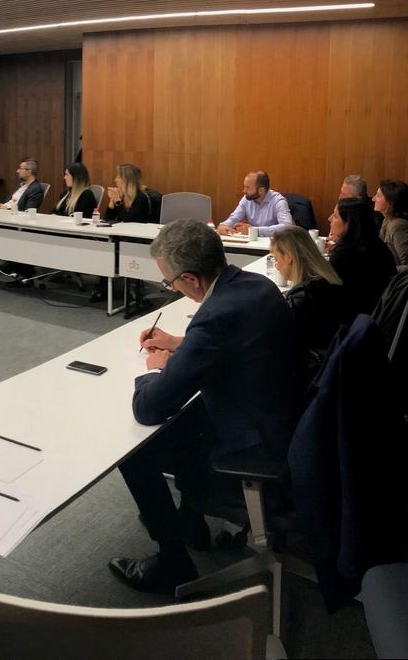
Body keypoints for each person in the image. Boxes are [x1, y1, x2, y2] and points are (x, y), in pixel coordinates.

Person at [109, 219, 305, 594]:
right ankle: (188, 522)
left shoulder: (214, 316)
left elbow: (149, 407)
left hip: (256, 453)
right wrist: (179, 343)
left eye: (170, 282)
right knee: (187, 423)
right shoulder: (256, 286)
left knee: (135, 452)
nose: (172, 288)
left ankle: (173, 563)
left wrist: (154, 370)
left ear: (191, 280)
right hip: (282, 422)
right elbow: (235, 342)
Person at [270, 225, 348, 360]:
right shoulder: (327, 281)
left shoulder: (303, 298)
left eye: (276, 259)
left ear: (288, 257)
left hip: (309, 364)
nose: (276, 265)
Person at [328, 197, 397, 316]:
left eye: (335, 216)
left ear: (348, 224)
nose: (329, 219)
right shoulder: (378, 245)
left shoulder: (345, 255)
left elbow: (331, 294)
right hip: (377, 314)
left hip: (352, 317)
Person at [217, 170, 292, 237]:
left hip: (274, 244)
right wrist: (223, 225)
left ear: (261, 190)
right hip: (254, 243)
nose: (244, 191)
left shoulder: (278, 201)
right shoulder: (247, 199)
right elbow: (235, 217)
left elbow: (288, 227)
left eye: (248, 188)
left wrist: (255, 230)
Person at [374, 179, 408, 266]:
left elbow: (407, 264)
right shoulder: (387, 219)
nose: (373, 199)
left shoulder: (398, 226)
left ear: (391, 202)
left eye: (378, 196)